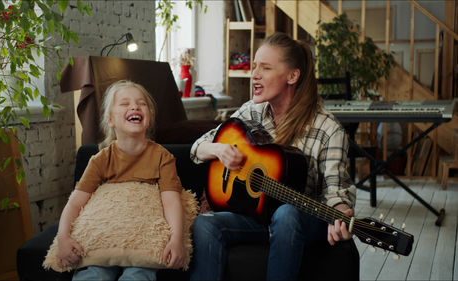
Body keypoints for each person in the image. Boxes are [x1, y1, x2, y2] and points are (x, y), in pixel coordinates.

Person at [189, 32, 356, 281]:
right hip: (257, 216)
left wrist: (342, 214)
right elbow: (197, 148)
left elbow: (336, 193)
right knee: (205, 224)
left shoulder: (328, 128)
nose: (254, 74)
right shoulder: (251, 111)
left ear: (292, 76)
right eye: (254, 66)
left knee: (286, 214)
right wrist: (219, 150)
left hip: (301, 220)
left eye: (265, 68)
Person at [56, 80, 187, 281]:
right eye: (125, 103)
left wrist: (177, 239)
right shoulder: (101, 159)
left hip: (141, 244)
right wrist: (63, 238)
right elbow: (75, 202)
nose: (134, 106)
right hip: (104, 243)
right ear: (110, 120)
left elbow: (171, 200)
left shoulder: (162, 157)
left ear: (149, 118)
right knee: (93, 275)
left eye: (141, 103)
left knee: (138, 275)